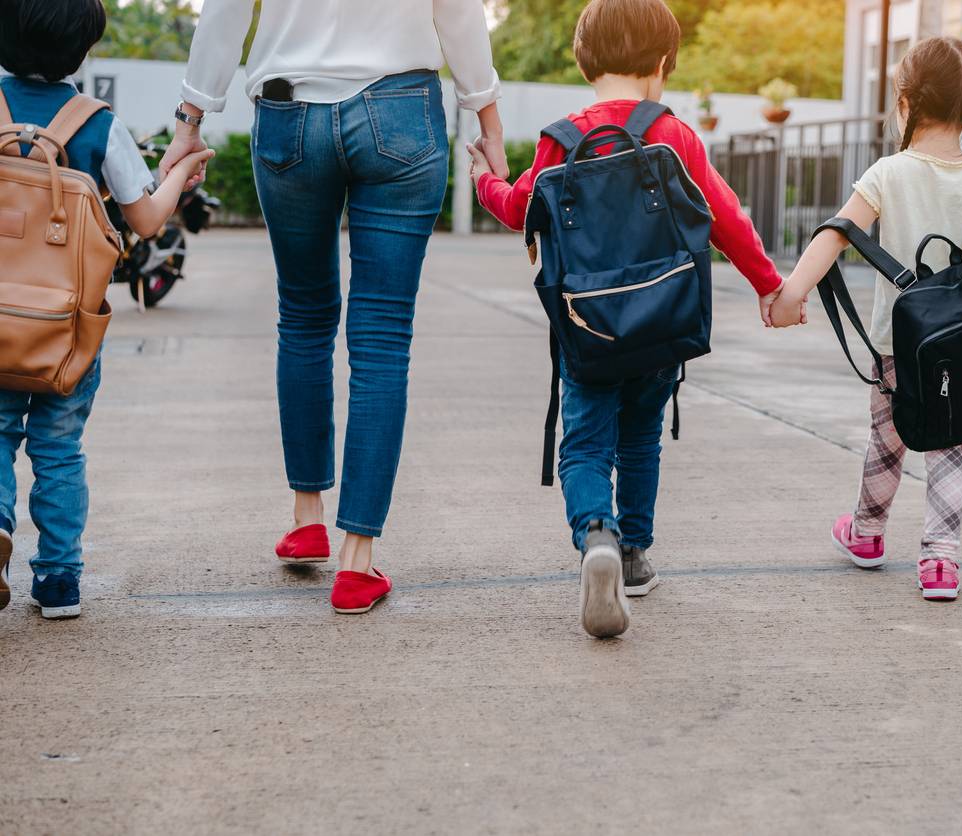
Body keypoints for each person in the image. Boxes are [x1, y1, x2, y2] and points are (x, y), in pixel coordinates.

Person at [163, 0, 507, 614]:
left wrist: (191, 118)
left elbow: (225, 12)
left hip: (289, 110)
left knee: (303, 318)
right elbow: (457, 11)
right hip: (402, 111)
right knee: (381, 337)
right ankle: (357, 562)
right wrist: (488, 118)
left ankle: (306, 519)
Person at [469, 0, 784, 637]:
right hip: (663, 325)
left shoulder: (562, 139)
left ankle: (597, 537)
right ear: (663, 64)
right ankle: (635, 556)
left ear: (585, 62)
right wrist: (771, 286)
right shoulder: (674, 135)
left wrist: (483, 179)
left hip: (587, 329)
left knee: (585, 444)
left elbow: (518, 209)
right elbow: (727, 219)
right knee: (641, 437)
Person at [769, 37, 962, 601]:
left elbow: (837, 232)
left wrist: (792, 293)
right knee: (952, 444)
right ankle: (940, 564)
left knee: (887, 441)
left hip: (897, 345)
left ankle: (868, 534)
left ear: (903, 102)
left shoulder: (888, 172)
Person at [0, 0, 214, 619]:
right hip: (66, 329)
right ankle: (59, 580)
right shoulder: (96, 124)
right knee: (59, 450)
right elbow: (146, 220)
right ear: (82, 50)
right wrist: (182, 172)